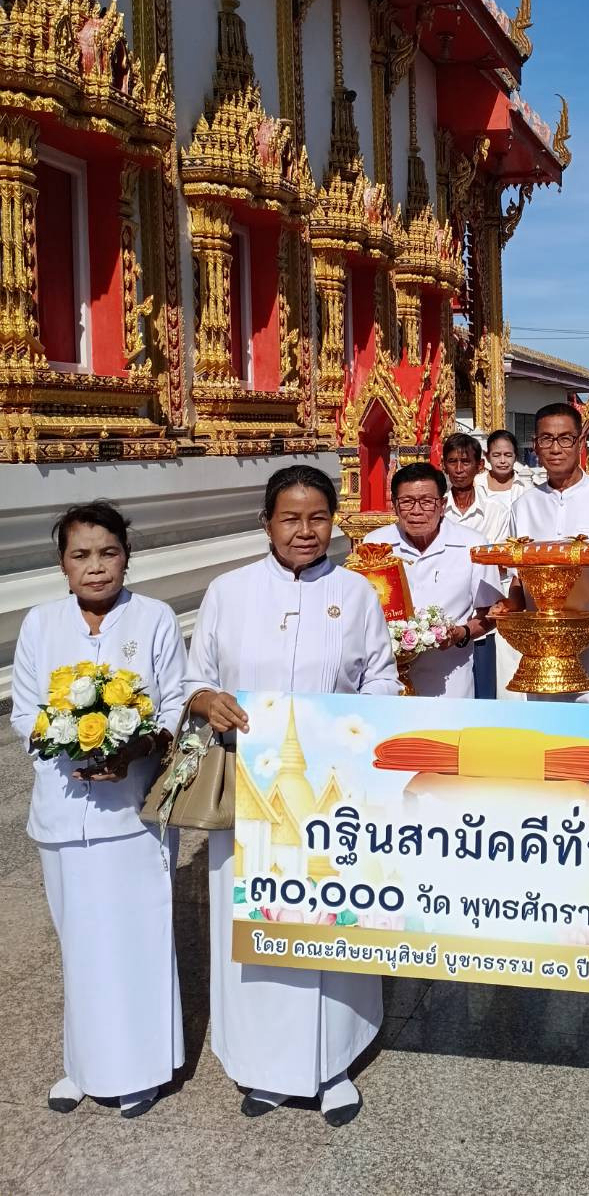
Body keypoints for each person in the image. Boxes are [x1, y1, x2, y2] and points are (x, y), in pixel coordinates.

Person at [184, 465, 400, 1124]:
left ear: (334, 521)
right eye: (290, 518)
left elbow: (381, 681)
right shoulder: (228, 590)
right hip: (248, 791)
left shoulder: (357, 591)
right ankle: (264, 1063)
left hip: (328, 792)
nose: (304, 531)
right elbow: (194, 680)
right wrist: (206, 699)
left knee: (327, 922)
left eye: (317, 518)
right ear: (266, 521)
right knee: (256, 925)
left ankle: (332, 1061)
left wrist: (353, 735)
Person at [11, 501, 187, 1118]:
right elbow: (23, 713)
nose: (96, 567)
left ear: (127, 556)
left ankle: (142, 1068)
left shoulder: (157, 618)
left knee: (137, 940)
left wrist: (133, 746)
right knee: (80, 943)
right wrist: (65, 733)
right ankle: (82, 1065)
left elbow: (171, 708)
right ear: (62, 564)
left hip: (132, 815)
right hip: (62, 814)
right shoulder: (40, 624)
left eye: (108, 553)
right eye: (81, 555)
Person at [492, 403, 589, 703]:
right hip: (543, 663)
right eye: (547, 439)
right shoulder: (523, 506)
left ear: (580, 443)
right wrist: (508, 607)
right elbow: (518, 579)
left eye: (565, 439)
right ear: (535, 445)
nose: (556, 448)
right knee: (546, 746)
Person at [376, 461, 502, 697]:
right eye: (407, 502)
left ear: (442, 505)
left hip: (450, 677)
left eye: (426, 502)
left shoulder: (472, 544)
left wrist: (461, 633)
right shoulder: (375, 546)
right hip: (387, 677)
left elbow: (491, 613)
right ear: (394, 506)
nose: (416, 511)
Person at [442, 434, 510, 698]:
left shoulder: (497, 512)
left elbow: (501, 564)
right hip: (444, 619)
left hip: (483, 619)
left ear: (479, 465)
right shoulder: (438, 510)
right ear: (443, 465)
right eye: (452, 462)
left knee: (484, 695)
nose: (459, 469)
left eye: (465, 462)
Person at [477, 429, 532, 509]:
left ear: (515, 457)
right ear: (487, 457)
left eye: (508, 455)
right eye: (496, 455)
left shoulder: (526, 489)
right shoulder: (476, 484)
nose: (502, 461)